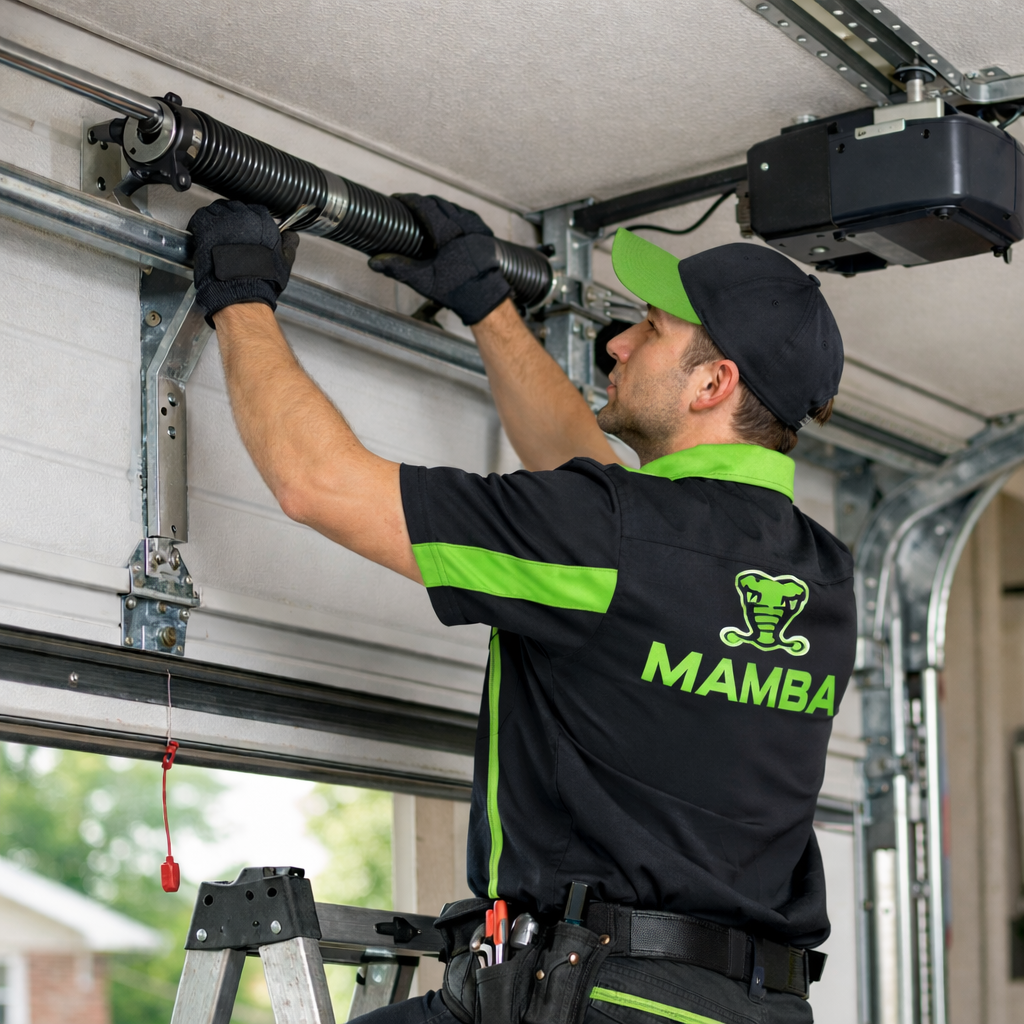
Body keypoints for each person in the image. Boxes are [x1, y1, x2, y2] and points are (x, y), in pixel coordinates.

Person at [187, 194, 857, 1024]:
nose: (617, 342)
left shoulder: (611, 540)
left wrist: (239, 292)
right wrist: (487, 305)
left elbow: (316, 483)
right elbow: (591, 497)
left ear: (714, 383)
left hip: (600, 998)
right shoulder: (822, 574)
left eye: (648, 330)